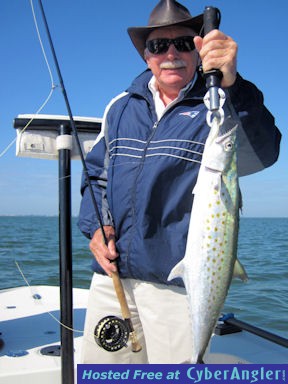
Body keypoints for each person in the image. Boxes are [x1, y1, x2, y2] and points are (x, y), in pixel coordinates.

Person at [78, 0, 281, 364]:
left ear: (200, 50)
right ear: (146, 56)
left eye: (184, 44)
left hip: (176, 287)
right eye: (158, 46)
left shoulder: (218, 104)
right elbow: (96, 176)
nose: (171, 53)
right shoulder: (120, 108)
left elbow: (264, 151)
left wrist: (233, 85)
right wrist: (96, 228)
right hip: (112, 282)